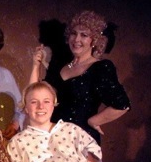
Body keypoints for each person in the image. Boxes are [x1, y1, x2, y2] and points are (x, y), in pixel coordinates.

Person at [29, 10, 131, 145]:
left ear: (94, 40)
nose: (77, 39)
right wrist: (36, 66)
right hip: (52, 138)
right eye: (74, 33)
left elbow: (122, 104)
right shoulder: (61, 66)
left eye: (84, 35)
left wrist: (93, 121)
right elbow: (33, 96)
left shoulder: (100, 68)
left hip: (80, 141)